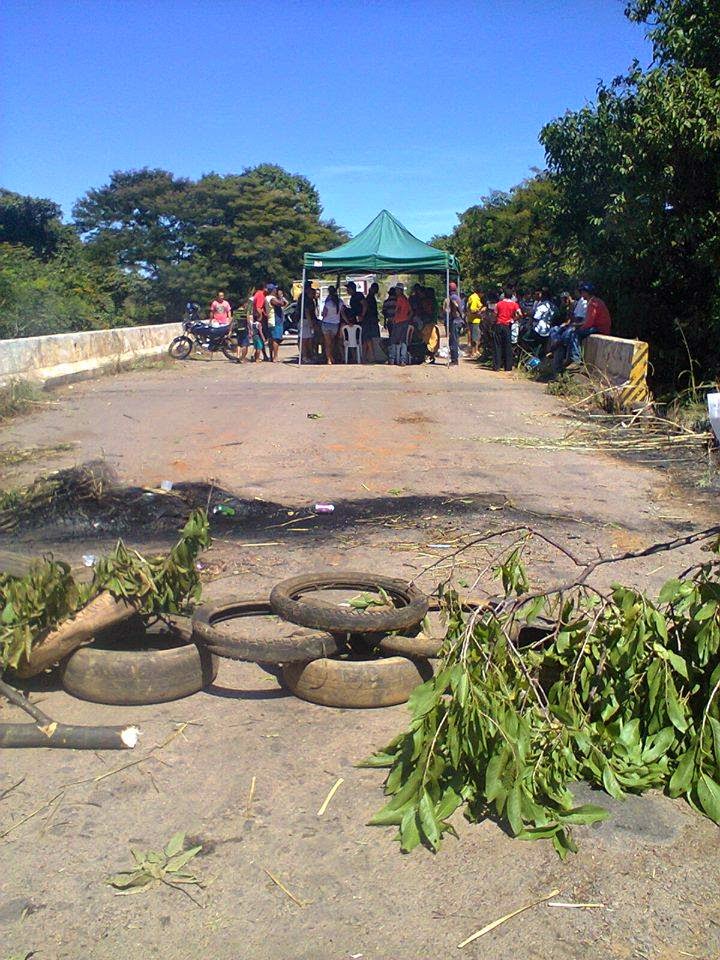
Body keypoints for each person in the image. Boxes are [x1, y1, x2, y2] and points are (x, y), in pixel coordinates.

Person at [493, 287, 522, 371]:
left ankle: (497, 366)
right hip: (508, 325)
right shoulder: (514, 304)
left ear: (504, 295)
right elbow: (520, 314)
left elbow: (495, 315)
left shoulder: (498, 304)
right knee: (507, 346)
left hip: (499, 325)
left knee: (497, 345)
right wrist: (513, 320)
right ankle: (508, 367)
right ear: (511, 296)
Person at [443, 281, 464, 366]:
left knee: (453, 341)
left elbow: (455, 307)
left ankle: (454, 360)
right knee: (454, 340)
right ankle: (454, 359)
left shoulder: (453, 298)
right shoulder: (457, 297)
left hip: (455, 321)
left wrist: (455, 315)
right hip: (458, 320)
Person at [389, 282, 411, 365]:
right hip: (405, 321)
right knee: (403, 341)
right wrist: (407, 318)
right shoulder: (405, 299)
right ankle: (402, 360)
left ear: (399, 290)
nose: (396, 291)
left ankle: (392, 359)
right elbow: (410, 311)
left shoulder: (399, 299)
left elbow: (397, 310)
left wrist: (395, 318)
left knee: (393, 340)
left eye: (397, 290)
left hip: (398, 322)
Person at [362, 281, 384, 363]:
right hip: (369, 321)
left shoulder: (370, 297)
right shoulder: (369, 298)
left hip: (370, 320)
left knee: (367, 338)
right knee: (368, 338)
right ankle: (371, 356)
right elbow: (367, 309)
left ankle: (365, 356)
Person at [321, 285, 343, 364]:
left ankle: (329, 358)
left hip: (326, 323)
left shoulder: (328, 302)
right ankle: (331, 356)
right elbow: (342, 313)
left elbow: (324, 314)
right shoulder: (340, 301)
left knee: (327, 343)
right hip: (335, 324)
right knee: (332, 342)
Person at [299, 279, 318, 363]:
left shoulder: (311, 299)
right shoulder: (305, 298)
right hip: (305, 320)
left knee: (310, 339)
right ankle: (304, 356)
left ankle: (310, 355)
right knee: (305, 339)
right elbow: (306, 312)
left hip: (310, 320)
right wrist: (310, 323)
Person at [268, 287, 288, 362]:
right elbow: (282, 304)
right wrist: (281, 297)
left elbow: (286, 304)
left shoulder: (270, 298)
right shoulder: (273, 299)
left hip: (275, 320)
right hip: (276, 321)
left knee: (273, 338)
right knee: (276, 339)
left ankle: (271, 356)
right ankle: (275, 357)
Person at [465, 285, 484, 358]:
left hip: (472, 319)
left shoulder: (472, 297)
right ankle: (473, 352)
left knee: (476, 336)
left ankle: (475, 351)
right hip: (474, 320)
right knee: (475, 337)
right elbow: (472, 310)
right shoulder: (475, 298)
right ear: (480, 292)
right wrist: (481, 311)